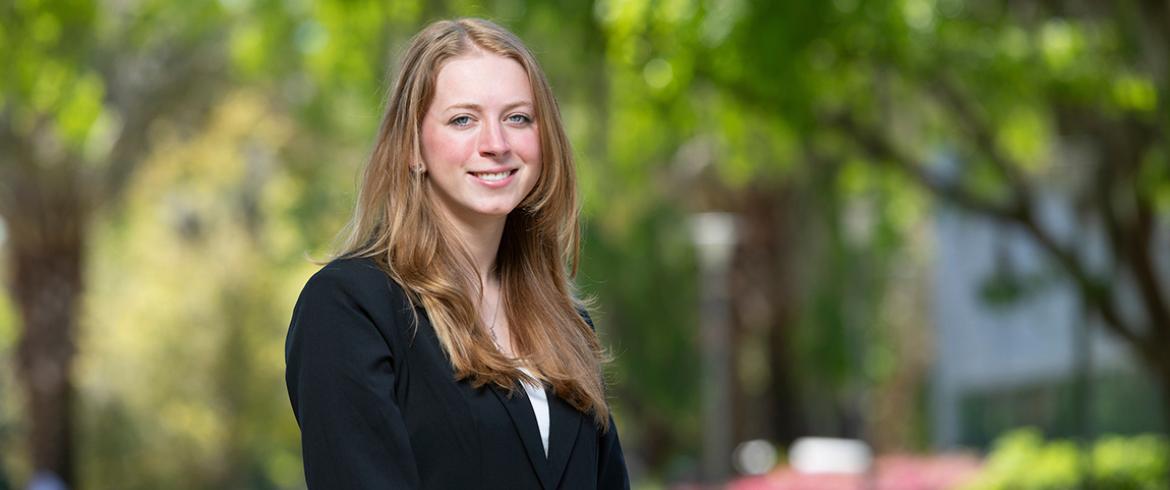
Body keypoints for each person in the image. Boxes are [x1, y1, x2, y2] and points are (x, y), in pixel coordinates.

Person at [284, 17, 630, 489]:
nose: (496, 144)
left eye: (518, 118)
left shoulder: (567, 325)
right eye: (463, 119)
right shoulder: (350, 308)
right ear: (413, 147)